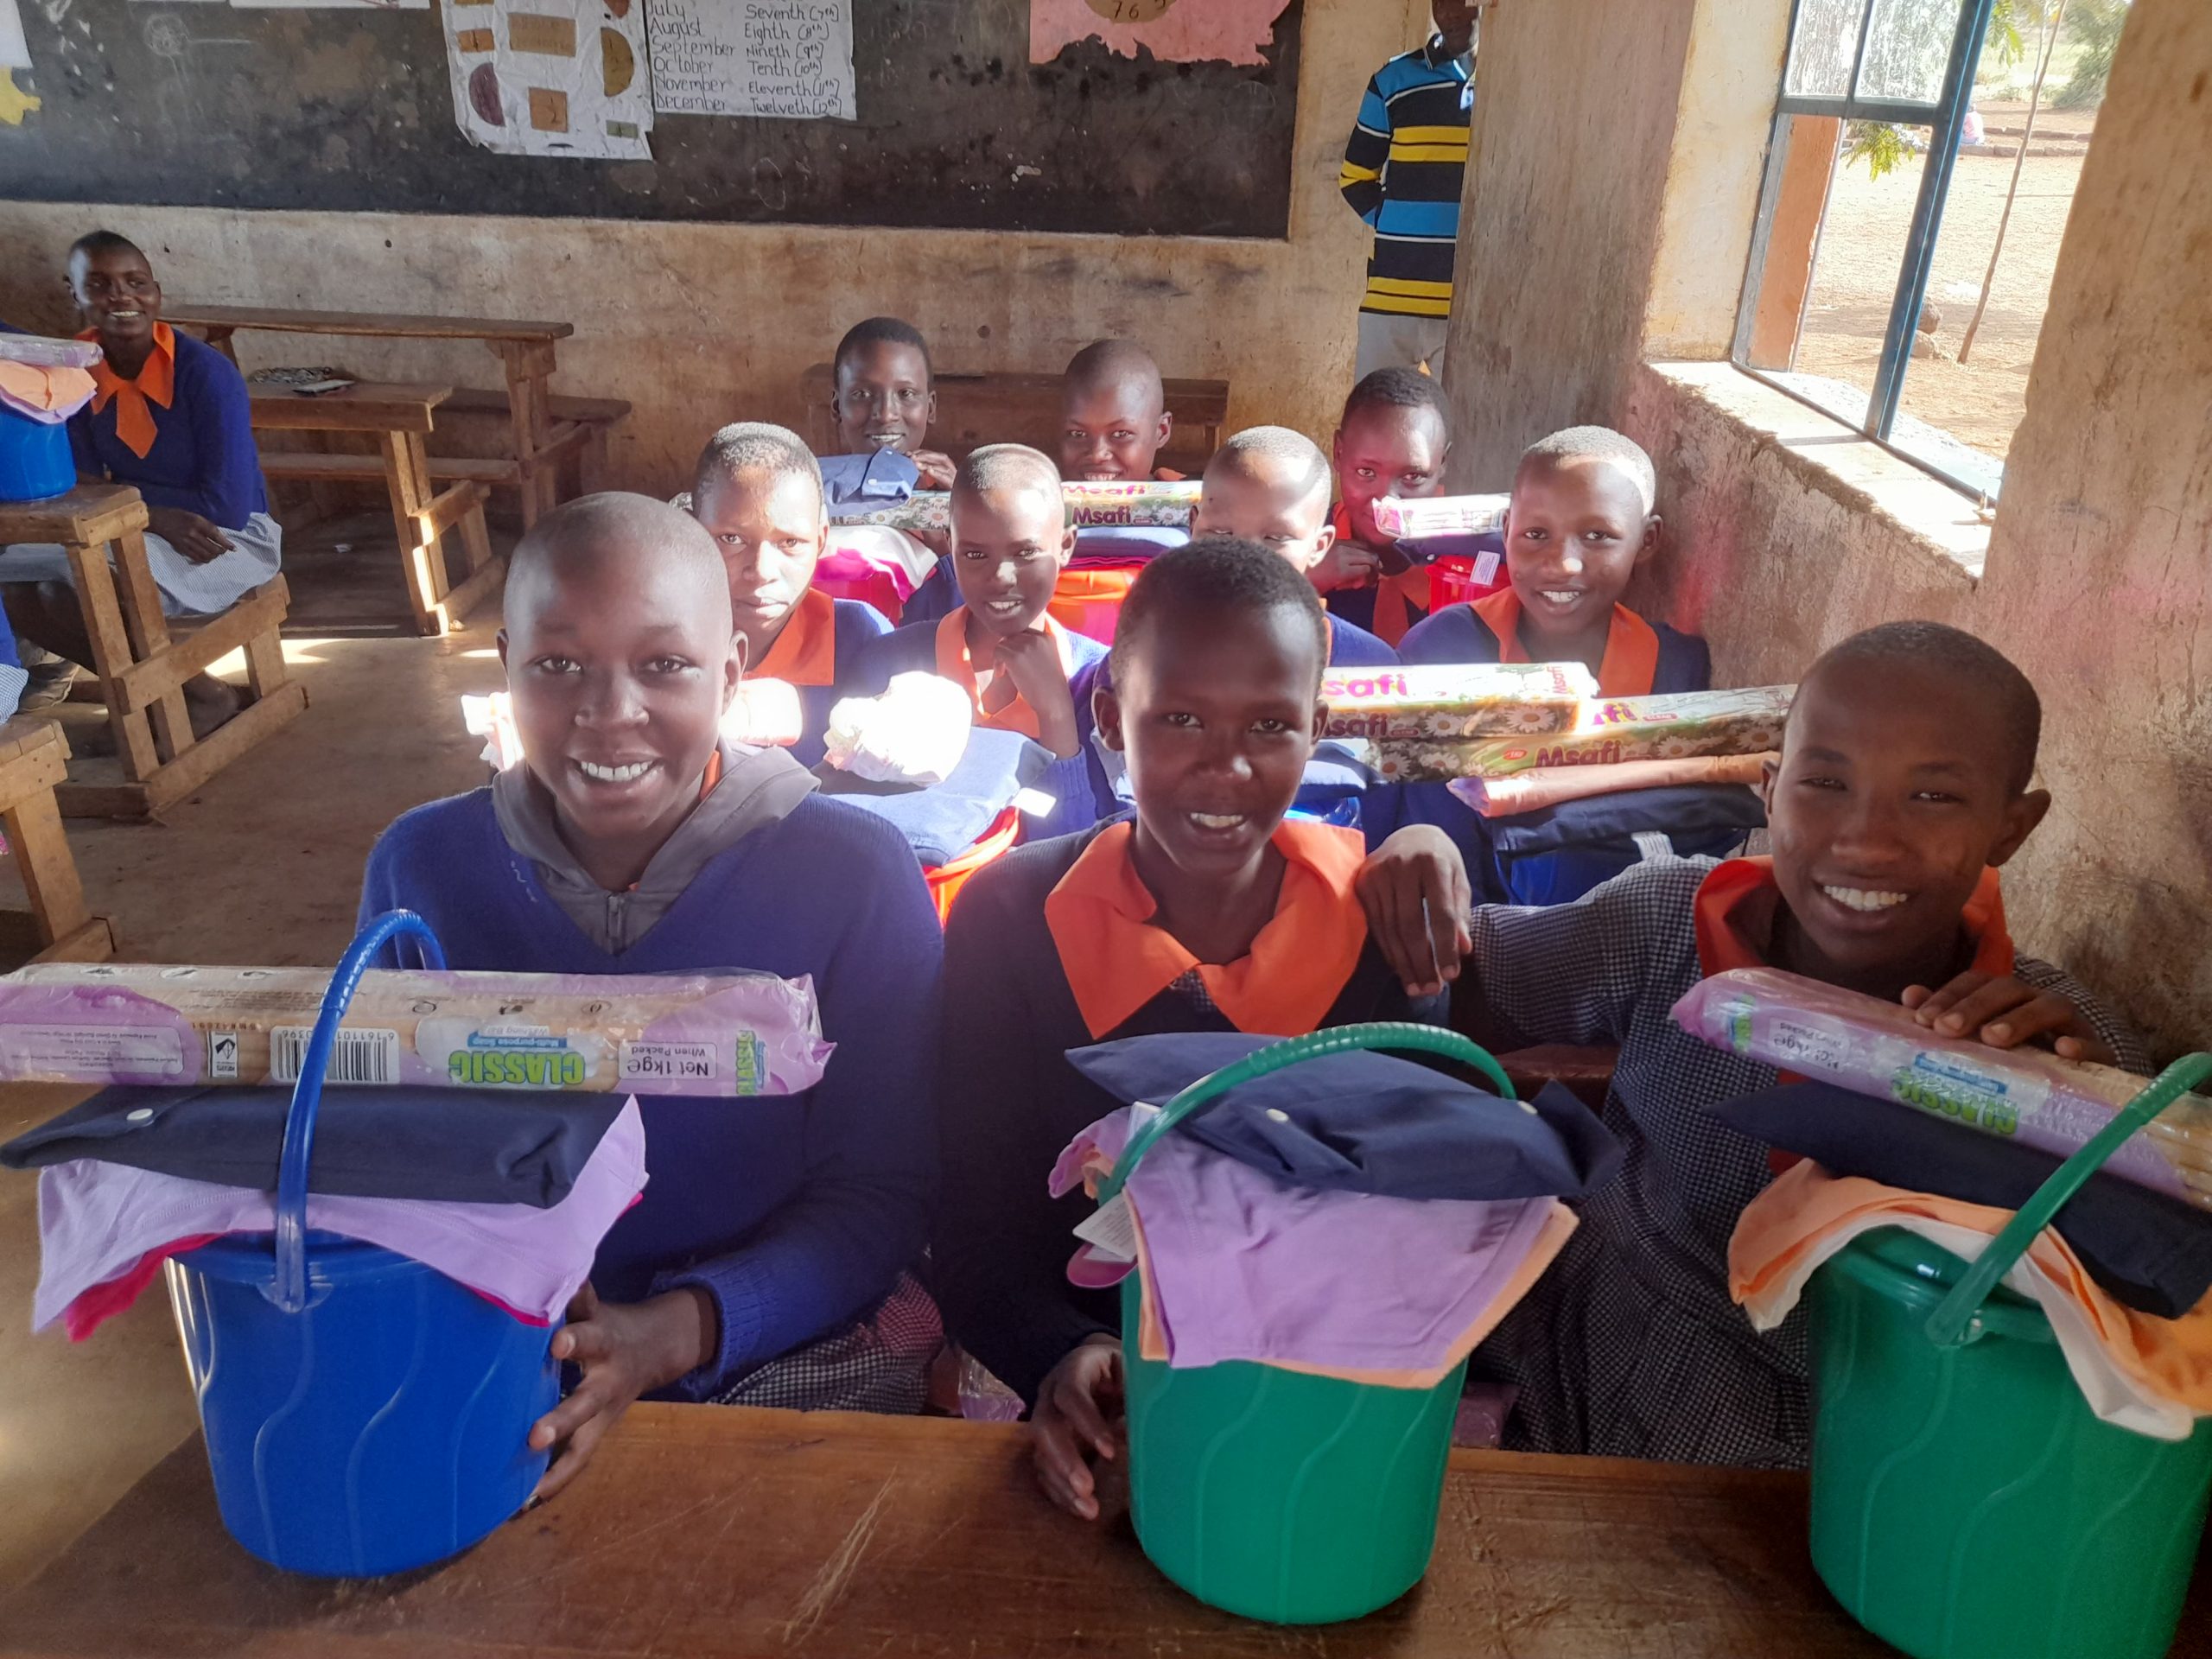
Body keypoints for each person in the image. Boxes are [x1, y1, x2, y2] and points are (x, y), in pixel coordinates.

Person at [1357, 620, 2148, 1467]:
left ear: (2011, 826)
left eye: (1932, 797)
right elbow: (1449, 981)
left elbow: (2135, 1294)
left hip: (1860, 1473)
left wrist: (2083, 1117)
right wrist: (1417, 855)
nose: (1864, 839)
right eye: (1824, 782)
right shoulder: (1671, 927)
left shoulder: (2053, 1041)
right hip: (1579, 1405)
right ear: (1768, 792)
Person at [358, 493, 943, 1497]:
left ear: (730, 673)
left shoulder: (853, 873)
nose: (608, 710)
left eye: (665, 666)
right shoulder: (426, 867)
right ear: (504, 666)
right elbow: (383, 1155)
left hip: (776, 1341)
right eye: (558, 664)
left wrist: (674, 1332)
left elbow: (886, 1192)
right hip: (502, 1345)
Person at [931, 540, 1446, 1520]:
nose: (1226, 767)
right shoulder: (1011, 919)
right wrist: (1063, 1354)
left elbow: (1405, 1239)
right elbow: (971, 1231)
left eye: (1270, 725)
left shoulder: (1379, 935)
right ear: (1107, 716)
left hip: (1310, 1404)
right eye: (1177, 719)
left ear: (1318, 730)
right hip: (1070, 1388)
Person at [0, 232, 278, 734]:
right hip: (142, 526)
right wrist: (153, 515)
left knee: (85, 582)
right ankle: (174, 691)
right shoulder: (72, 370)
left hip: (227, 540)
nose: (121, 297)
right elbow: (78, 482)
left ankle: (180, 696)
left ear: (156, 293)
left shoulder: (205, 375)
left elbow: (229, 505)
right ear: (75, 294)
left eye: (136, 283)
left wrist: (137, 509)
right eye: (100, 285)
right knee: (19, 582)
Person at [850, 444, 1107, 835]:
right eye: (974, 555)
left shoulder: (1097, 682)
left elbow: (1085, 845)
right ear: (950, 545)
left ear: (1066, 546)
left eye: (1026, 552)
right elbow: (856, 818)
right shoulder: (891, 664)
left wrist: (1056, 714)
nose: (1001, 577)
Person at [1400, 425, 1709, 694]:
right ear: (1507, 532)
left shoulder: (1673, 668)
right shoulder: (1440, 649)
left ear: (1647, 539)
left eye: (1597, 536)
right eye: (1536, 535)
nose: (1563, 564)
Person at [688, 422, 888, 768]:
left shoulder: (858, 638)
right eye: (732, 539)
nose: (762, 570)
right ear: (692, 533)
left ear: (821, 541)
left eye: (790, 543)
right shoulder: (656, 638)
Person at [1338, 3, 1481, 381]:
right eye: (1440, 2)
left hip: (1471, 305)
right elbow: (1354, 179)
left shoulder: (1511, 82)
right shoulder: (1394, 80)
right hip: (1392, 297)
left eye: (1461, 1)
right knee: (1375, 421)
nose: (1449, 13)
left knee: (1461, 431)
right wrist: (1397, 223)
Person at [1192, 426, 1396, 669]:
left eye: (1275, 537)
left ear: (1318, 547)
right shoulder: (1155, 639)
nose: (1244, 558)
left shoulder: (1367, 665)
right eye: (1221, 533)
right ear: (1192, 524)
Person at [1315, 367, 1455, 646]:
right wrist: (1303, 583)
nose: (1386, 502)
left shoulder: (1466, 560)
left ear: (1442, 463)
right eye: (1366, 472)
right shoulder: (1302, 544)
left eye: (1412, 477)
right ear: (1339, 453)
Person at [830, 316, 956, 491]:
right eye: (863, 394)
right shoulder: (812, 501)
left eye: (906, 394)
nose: (886, 415)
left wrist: (960, 507)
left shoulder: (954, 497)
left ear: (931, 408)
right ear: (837, 407)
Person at [1058, 339, 1179, 484]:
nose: (1097, 454)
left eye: (1121, 434)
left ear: (1161, 431)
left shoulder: (1197, 503)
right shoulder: (1041, 502)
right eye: (1078, 434)